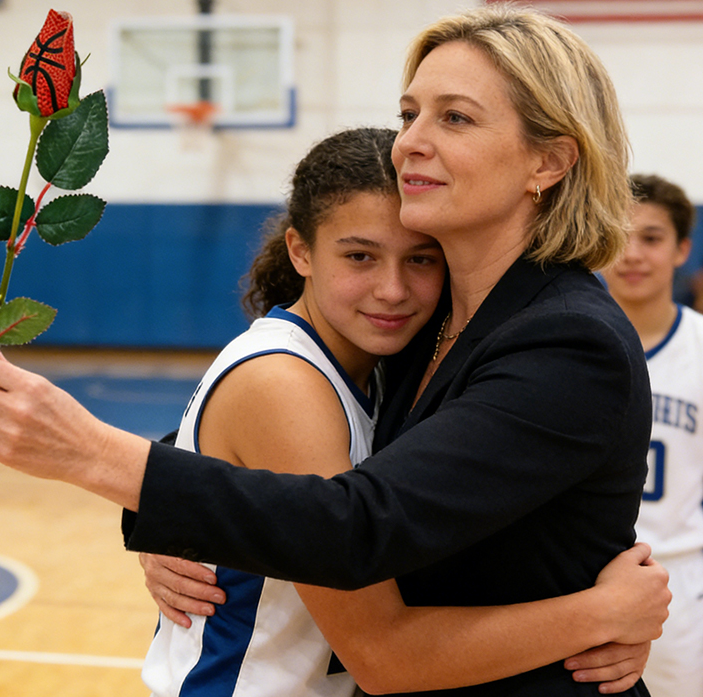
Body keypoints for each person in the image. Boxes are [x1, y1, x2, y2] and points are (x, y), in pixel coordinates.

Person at [0, 4, 664, 696]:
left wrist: (97, 456)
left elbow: (359, 524)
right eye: (408, 113)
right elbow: (258, 430)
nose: (412, 140)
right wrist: (165, 524)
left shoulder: (568, 340)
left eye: (455, 117)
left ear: (549, 161)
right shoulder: (437, 315)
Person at [139, 127, 664, 697]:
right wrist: (603, 615)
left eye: (420, 258)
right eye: (359, 255)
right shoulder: (283, 381)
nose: (392, 289)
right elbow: (382, 645)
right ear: (300, 251)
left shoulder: (391, 357)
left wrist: (163, 515)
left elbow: (224, 462)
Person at [601, 174, 703, 697]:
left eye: (653, 238)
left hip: (684, 583)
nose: (633, 254)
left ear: (683, 249)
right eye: (621, 234)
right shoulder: (570, 343)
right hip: (591, 584)